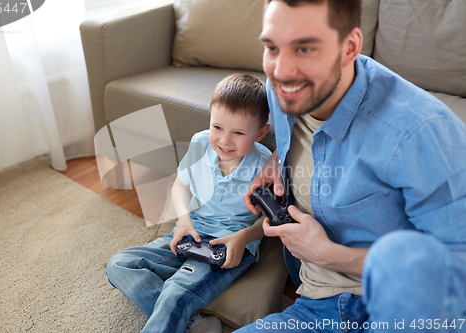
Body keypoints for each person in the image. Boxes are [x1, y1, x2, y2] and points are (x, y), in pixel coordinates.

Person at [236, 0, 466, 331]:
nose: (282, 69)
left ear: (350, 47)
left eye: (304, 49)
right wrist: (279, 159)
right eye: (272, 47)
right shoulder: (283, 88)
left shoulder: (419, 132)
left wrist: (330, 255)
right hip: (318, 302)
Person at [106, 73, 272, 333]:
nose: (224, 140)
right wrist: (183, 219)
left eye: (238, 132)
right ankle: (195, 323)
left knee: (176, 289)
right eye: (217, 127)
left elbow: (271, 219)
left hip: (227, 246)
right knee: (119, 265)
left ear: (261, 132)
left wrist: (244, 238)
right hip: (188, 233)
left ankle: (175, 317)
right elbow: (181, 186)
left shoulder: (265, 165)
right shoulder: (200, 142)